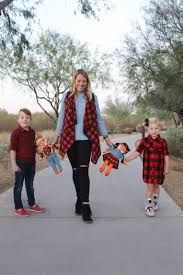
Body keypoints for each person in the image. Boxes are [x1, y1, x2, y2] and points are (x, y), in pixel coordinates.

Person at [54, 69, 113, 223]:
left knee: (83, 171)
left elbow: (99, 118)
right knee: (75, 172)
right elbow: (61, 116)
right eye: (78, 81)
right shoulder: (67, 97)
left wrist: (106, 137)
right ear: (74, 81)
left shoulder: (92, 98)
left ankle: (86, 206)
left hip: (86, 139)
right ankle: (79, 200)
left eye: (84, 81)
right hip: (70, 139)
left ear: (87, 83)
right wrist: (57, 136)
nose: (81, 84)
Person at [126, 117, 169, 217]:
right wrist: (128, 158)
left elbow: (166, 155)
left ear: (159, 129)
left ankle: (155, 202)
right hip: (148, 170)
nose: (154, 131)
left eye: (156, 128)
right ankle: (148, 206)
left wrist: (167, 167)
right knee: (149, 188)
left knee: (157, 187)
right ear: (147, 129)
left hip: (159, 169)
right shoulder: (144, 141)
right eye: (151, 129)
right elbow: (137, 152)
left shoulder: (163, 142)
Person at [10, 108, 45, 217]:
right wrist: (13, 164)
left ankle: (32, 204)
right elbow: (13, 149)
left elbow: (34, 147)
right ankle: (18, 207)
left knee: (30, 185)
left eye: (28, 118)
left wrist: (40, 152)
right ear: (18, 120)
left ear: (30, 120)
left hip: (31, 164)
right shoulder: (16, 133)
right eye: (22, 117)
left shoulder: (32, 132)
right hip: (20, 164)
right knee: (19, 186)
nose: (25, 119)